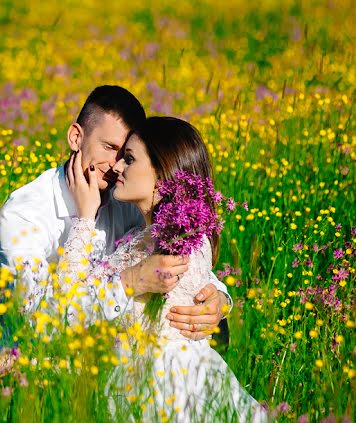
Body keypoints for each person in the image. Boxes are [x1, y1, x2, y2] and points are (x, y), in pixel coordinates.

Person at [64, 116, 264, 421]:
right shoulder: (148, 237)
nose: (117, 167)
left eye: (128, 159)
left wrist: (84, 217)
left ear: (163, 174)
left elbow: (70, 302)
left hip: (164, 389)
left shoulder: (176, 241)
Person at [0, 86, 231, 339]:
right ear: (75, 138)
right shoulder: (23, 215)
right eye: (108, 147)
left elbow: (174, 259)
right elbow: (39, 321)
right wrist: (131, 281)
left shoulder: (127, 200)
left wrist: (219, 300)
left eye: (126, 155)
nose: (116, 166)